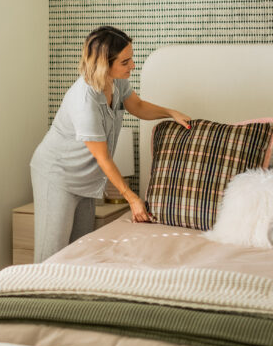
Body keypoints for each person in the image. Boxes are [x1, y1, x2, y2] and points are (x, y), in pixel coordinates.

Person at [30, 26, 191, 263]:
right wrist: (132, 198)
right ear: (104, 64)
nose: (132, 66)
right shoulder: (84, 101)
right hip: (57, 176)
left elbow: (137, 106)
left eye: (131, 58)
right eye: (125, 62)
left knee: (79, 253)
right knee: (50, 256)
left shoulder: (116, 82)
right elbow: (102, 157)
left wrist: (170, 112)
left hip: (86, 180)